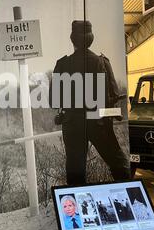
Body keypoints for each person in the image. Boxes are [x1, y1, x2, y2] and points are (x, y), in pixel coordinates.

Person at [50, 20, 131, 185]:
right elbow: (114, 94)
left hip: (72, 124)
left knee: (75, 168)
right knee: (118, 162)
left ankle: (75, 206)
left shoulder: (63, 64)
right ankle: (128, 194)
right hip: (99, 121)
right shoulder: (103, 62)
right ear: (91, 38)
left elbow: (54, 100)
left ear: (73, 39)